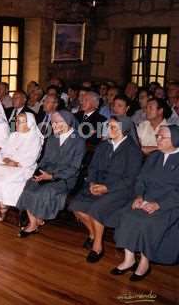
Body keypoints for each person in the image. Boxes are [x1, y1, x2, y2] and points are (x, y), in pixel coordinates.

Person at [68, 116, 142, 263]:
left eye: (113, 127)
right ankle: (93, 234)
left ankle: (97, 247)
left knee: (96, 209)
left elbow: (130, 179)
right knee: (76, 205)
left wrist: (107, 188)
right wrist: (92, 183)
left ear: (125, 130)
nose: (109, 129)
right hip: (98, 185)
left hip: (121, 190)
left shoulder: (132, 150)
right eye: (108, 126)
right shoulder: (103, 146)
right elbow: (93, 168)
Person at [112, 125, 179, 281]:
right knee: (127, 215)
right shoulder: (155, 156)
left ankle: (144, 261)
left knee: (147, 222)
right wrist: (139, 196)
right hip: (146, 200)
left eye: (163, 137)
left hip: (170, 204)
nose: (158, 139)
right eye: (158, 136)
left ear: (175, 140)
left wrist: (158, 205)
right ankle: (129, 259)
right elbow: (141, 179)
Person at [16, 110, 86, 237]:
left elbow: (74, 168)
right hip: (47, 174)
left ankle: (34, 223)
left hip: (65, 178)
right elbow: (45, 160)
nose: (54, 125)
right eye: (53, 122)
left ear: (68, 122)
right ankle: (34, 222)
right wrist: (38, 173)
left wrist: (52, 176)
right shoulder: (53, 137)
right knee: (29, 186)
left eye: (58, 122)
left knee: (44, 191)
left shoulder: (78, 141)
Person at [0, 112, 43, 222]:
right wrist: (7, 159)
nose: (16, 124)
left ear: (29, 123)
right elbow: (4, 152)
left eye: (20, 122)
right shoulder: (13, 135)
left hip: (24, 168)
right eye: (16, 121)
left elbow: (31, 158)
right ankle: (2, 205)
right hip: (8, 165)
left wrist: (16, 163)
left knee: (5, 182)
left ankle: (3, 208)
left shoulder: (35, 138)